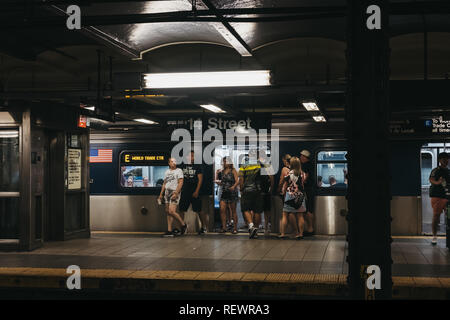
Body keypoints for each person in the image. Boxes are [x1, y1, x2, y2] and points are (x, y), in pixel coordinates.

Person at [179, 151, 208, 235]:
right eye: (191, 156)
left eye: (193, 156)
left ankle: (204, 227)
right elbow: (180, 178)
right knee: (181, 209)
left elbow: (200, 179)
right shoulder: (182, 166)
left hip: (195, 191)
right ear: (187, 157)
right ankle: (182, 227)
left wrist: (197, 191)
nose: (192, 157)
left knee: (199, 210)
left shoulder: (197, 166)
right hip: (185, 191)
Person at [158, 157, 187, 237]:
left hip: (174, 192)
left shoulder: (179, 171)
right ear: (169, 163)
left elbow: (181, 182)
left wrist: (176, 193)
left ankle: (183, 225)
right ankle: (169, 230)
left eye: (174, 161)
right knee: (167, 211)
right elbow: (164, 183)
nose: (173, 163)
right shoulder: (167, 171)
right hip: (167, 192)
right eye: (172, 161)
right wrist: (161, 194)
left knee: (171, 211)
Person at [279, 157, 306, 239]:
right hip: (300, 195)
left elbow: (285, 184)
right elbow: (303, 184)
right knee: (300, 216)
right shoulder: (302, 174)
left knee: (285, 215)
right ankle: (300, 234)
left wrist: (283, 191)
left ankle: (282, 234)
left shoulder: (288, 174)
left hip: (289, 195)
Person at [239, 148, 263, 239]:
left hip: (247, 191)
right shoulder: (262, 165)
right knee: (257, 211)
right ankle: (255, 231)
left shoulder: (244, 165)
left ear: (248, 156)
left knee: (246, 209)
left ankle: (251, 226)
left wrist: (241, 189)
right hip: (258, 191)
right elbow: (270, 177)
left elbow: (241, 179)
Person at [429, 152, 449, 245]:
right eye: (444, 159)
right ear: (440, 160)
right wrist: (438, 182)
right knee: (436, 216)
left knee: (449, 216)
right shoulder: (436, 170)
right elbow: (431, 179)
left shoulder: (448, 171)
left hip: (447, 197)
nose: (446, 161)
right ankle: (434, 236)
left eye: (447, 159)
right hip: (437, 196)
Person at [216, 156, 239, 234]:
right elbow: (222, 182)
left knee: (233, 211)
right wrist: (219, 183)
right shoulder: (222, 171)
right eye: (224, 161)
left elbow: (237, 180)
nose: (225, 163)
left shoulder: (233, 170)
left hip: (232, 192)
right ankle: (224, 227)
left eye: (226, 161)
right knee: (222, 210)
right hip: (224, 191)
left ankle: (235, 228)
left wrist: (233, 186)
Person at [259, 150, 274, 236]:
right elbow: (271, 179)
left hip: (260, 190)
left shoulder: (258, 165)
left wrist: (271, 189)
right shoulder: (268, 165)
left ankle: (262, 226)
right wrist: (271, 189)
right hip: (265, 190)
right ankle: (265, 227)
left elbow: (271, 178)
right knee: (266, 210)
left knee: (259, 210)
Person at [300, 149, 315, 237]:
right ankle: (310, 228)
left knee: (308, 209)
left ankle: (310, 229)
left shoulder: (306, 165)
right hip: (309, 189)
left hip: (308, 189)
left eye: (302, 156)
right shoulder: (309, 165)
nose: (300, 158)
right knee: (307, 209)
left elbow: (305, 177)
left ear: (305, 157)